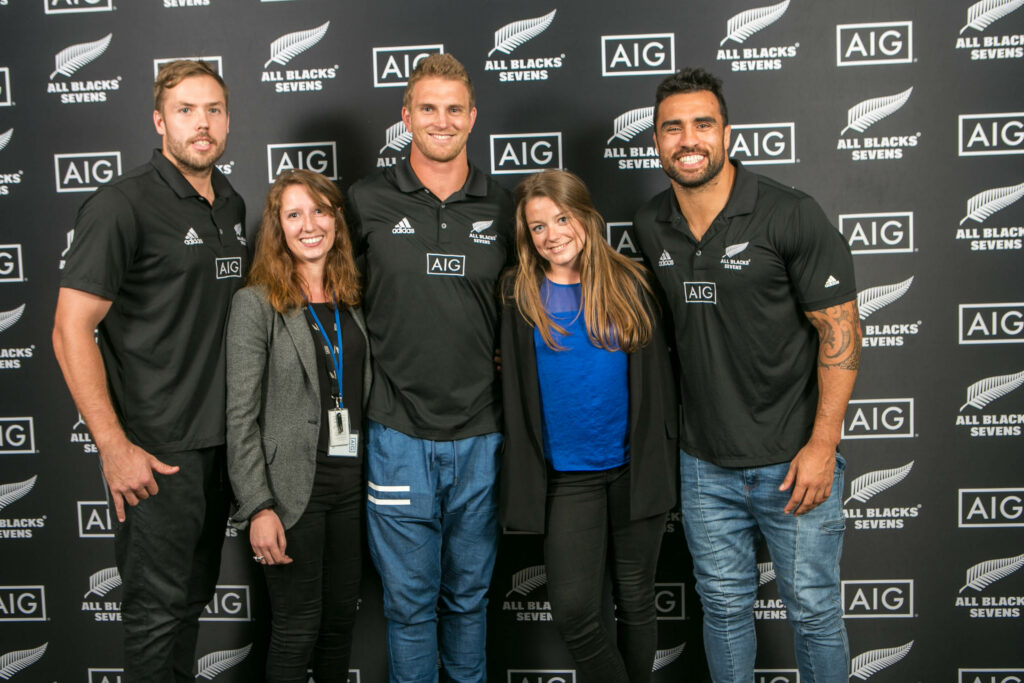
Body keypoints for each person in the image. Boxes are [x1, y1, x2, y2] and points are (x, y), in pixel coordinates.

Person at [633, 67, 861, 683]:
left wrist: (822, 446)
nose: (688, 139)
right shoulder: (649, 224)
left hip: (794, 460)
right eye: (672, 128)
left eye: (702, 124)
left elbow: (840, 334)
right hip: (704, 464)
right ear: (656, 141)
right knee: (725, 610)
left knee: (813, 612)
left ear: (727, 133)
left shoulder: (790, 213)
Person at [52, 60, 245, 683]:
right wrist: (113, 446)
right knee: (156, 620)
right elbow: (69, 329)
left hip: (221, 449)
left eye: (213, 110)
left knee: (188, 609)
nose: (202, 123)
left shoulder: (233, 203)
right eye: (186, 110)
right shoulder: (121, 203)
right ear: (160, 121)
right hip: (156, 456)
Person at [346, 53, 514, 682]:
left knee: (468, 602)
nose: (440, 121)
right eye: (427, 108)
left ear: (472, 117)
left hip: (482, 434)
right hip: (396, 434)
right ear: (405, 116)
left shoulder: (502, 205)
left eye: (453, 109)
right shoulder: (365, 200)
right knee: (410, 608)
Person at [499, 170, 677, 682]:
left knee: (636, 600)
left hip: (633, 469)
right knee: (576, 610)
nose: (552, 234)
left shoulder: (633, 283)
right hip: (566, 478)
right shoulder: (517, 294)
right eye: (538, 227)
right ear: (526, 236)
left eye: (562, 218)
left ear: (586, 218)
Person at [225, 169, 371, 682]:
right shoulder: (256, 303)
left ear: (336, 220)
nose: (310, 225)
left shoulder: (352, 298)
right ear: (278, 228)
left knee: (337, 627)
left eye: (320, 211)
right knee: (296, 629)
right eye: (294, 214)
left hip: (351, 490)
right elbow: (240, 416)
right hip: (290, 495)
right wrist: (258, 507)